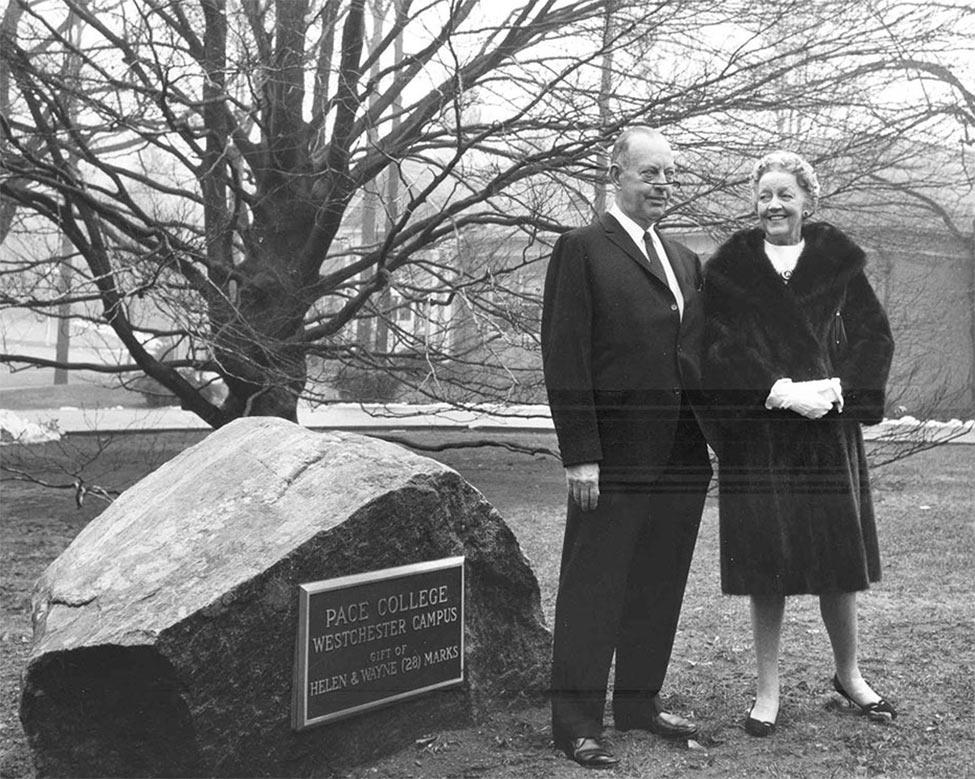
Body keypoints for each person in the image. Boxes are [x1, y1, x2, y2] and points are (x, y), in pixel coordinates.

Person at [701, 150, 897, 737]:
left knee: (840, 561)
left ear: (808, 201)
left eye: (785, 195)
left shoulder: (836, 261)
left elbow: (873, 335)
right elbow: (712, 347)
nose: (774, 206)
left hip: (826, 435)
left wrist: (841, 388)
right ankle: (768, 692)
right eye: (764, 196)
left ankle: (850, 676)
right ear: (753, 203)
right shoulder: (730, 268)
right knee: (767, 564)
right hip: (762, 436)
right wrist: (776, 390)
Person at [541, 126, 712, 769]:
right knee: (595, 587)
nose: (662, 184)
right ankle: (576, 721)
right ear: (617, 173)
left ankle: (639, 705)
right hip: (611, 458)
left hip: (681, 457)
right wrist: (580, 451)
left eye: (670, 174)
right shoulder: (582, 249)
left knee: (658, 583)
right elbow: (566, 356)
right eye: (650, 173)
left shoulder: (685, 259)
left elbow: (697, 358)